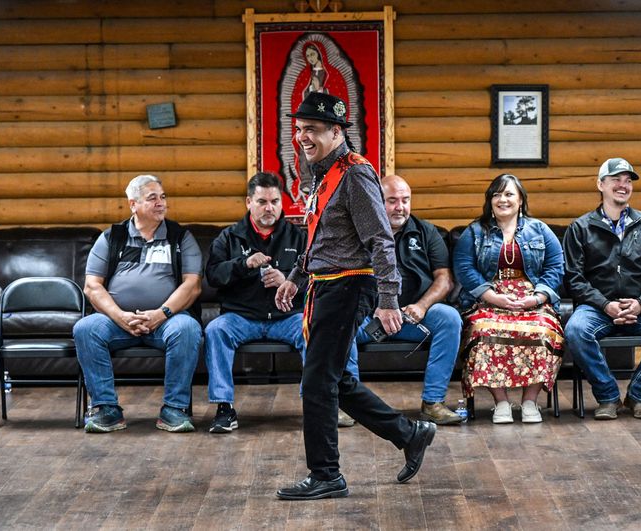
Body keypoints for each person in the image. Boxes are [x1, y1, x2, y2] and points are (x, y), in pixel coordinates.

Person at [273, 92, 435, 501]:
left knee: (316, 383)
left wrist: (388, 299)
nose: (302, 137)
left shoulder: (356, 173)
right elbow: (320, 236)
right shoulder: (322, 173)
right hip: (325, 283)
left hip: (350, 284)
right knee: (336, 380)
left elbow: (381, 241)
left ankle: (326, 474)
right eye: (299, 129)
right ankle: (408, 434)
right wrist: (296, 276)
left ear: (336, 131)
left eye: (311, 129)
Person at [74, 174, 203, 433]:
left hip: (167, 319)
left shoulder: (180, 237)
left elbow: (192, 285)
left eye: (163, 197)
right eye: (152, 198)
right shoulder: (113, 237)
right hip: (118, 320)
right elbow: (92, 286)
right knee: (85, 329)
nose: (161, 203)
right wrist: (120, 316)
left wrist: (161, 313)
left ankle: (174, 410)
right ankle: (106, 409)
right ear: (133, 204)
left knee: (187, 329)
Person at [563, 158, 641, 420]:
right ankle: (608, 397)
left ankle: (639, 395)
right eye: (616, 180)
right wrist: (605, 305)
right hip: (597, 308)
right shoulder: (580, 228)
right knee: (575, 330)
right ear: (600, 184)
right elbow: (573, 278)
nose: (623, 185)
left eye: (628, 181)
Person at [345, 174, 464, 425]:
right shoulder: (358, 233)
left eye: (405, 200)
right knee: (340, 324)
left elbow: (444, 278)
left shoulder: (426, 232)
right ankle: (350, 406)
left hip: (413, 317)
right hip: (370, 317)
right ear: (377, 202)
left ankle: (433, 402)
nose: (400, 207)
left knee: (450, 318)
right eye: (392, 201)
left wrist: (422, 306)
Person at [454, 173, 564, 424]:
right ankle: (501, 402)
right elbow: (464, 268)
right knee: (483, 329)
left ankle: (529, 401)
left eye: (508, 194)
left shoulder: (540, 230)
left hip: (531, 297)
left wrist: (537, 298)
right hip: (489, 297)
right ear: (489, 201)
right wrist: (493, 297)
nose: (502, 199)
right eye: (497, 194)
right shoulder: (474, 231)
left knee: (544, 330)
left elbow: (556, 266)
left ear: (521, 200)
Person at [203, 172, 306, 433]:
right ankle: (224, 408)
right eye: (262, 201)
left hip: (287, 317)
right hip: (241, 318)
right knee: (216, 330)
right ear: (248, 202)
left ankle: (315, 404)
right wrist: (243, 264)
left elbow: (318, 278)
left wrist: (289, 279)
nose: (269, 208)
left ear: (282, 203)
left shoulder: (299, 237)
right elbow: (213, 276)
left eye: (274, 201)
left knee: (313, 328)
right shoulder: (229, 237)